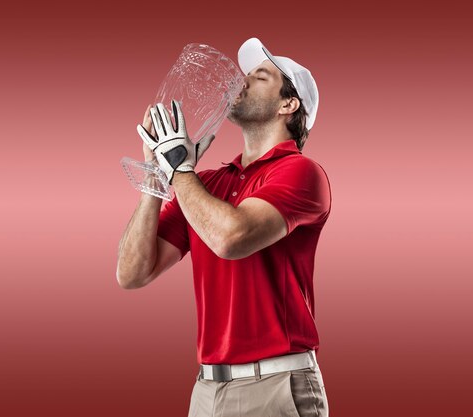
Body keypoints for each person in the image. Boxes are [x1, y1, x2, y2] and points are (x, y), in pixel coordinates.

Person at [117, 37, 331, 417]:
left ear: (288, 104)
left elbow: (230, 237)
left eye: (259, 76)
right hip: (207, 390)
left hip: (275, 388)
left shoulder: (301, 172)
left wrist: (181, 170)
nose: (241, 82)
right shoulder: (208, 185)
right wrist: (158, 176)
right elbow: (132, 273)